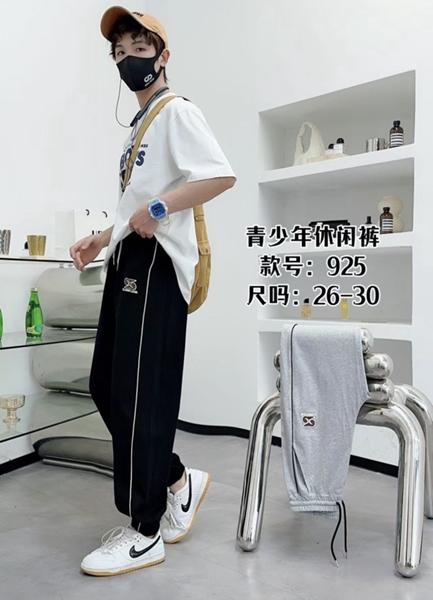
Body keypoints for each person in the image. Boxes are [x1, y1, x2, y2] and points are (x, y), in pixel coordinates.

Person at [69, 6, 237, 577]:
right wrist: (102, 237)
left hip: (157, 263)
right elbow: (134, 206)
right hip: (128, 256)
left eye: (138, 49)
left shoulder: (176, 111)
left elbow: (219, 175)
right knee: (107, 386)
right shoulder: (139, 129)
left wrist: (160, 209)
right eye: (119, 53)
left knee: (141, 394)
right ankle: (176, 479)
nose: (127, 60)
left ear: (162, 56)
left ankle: (145, 532)